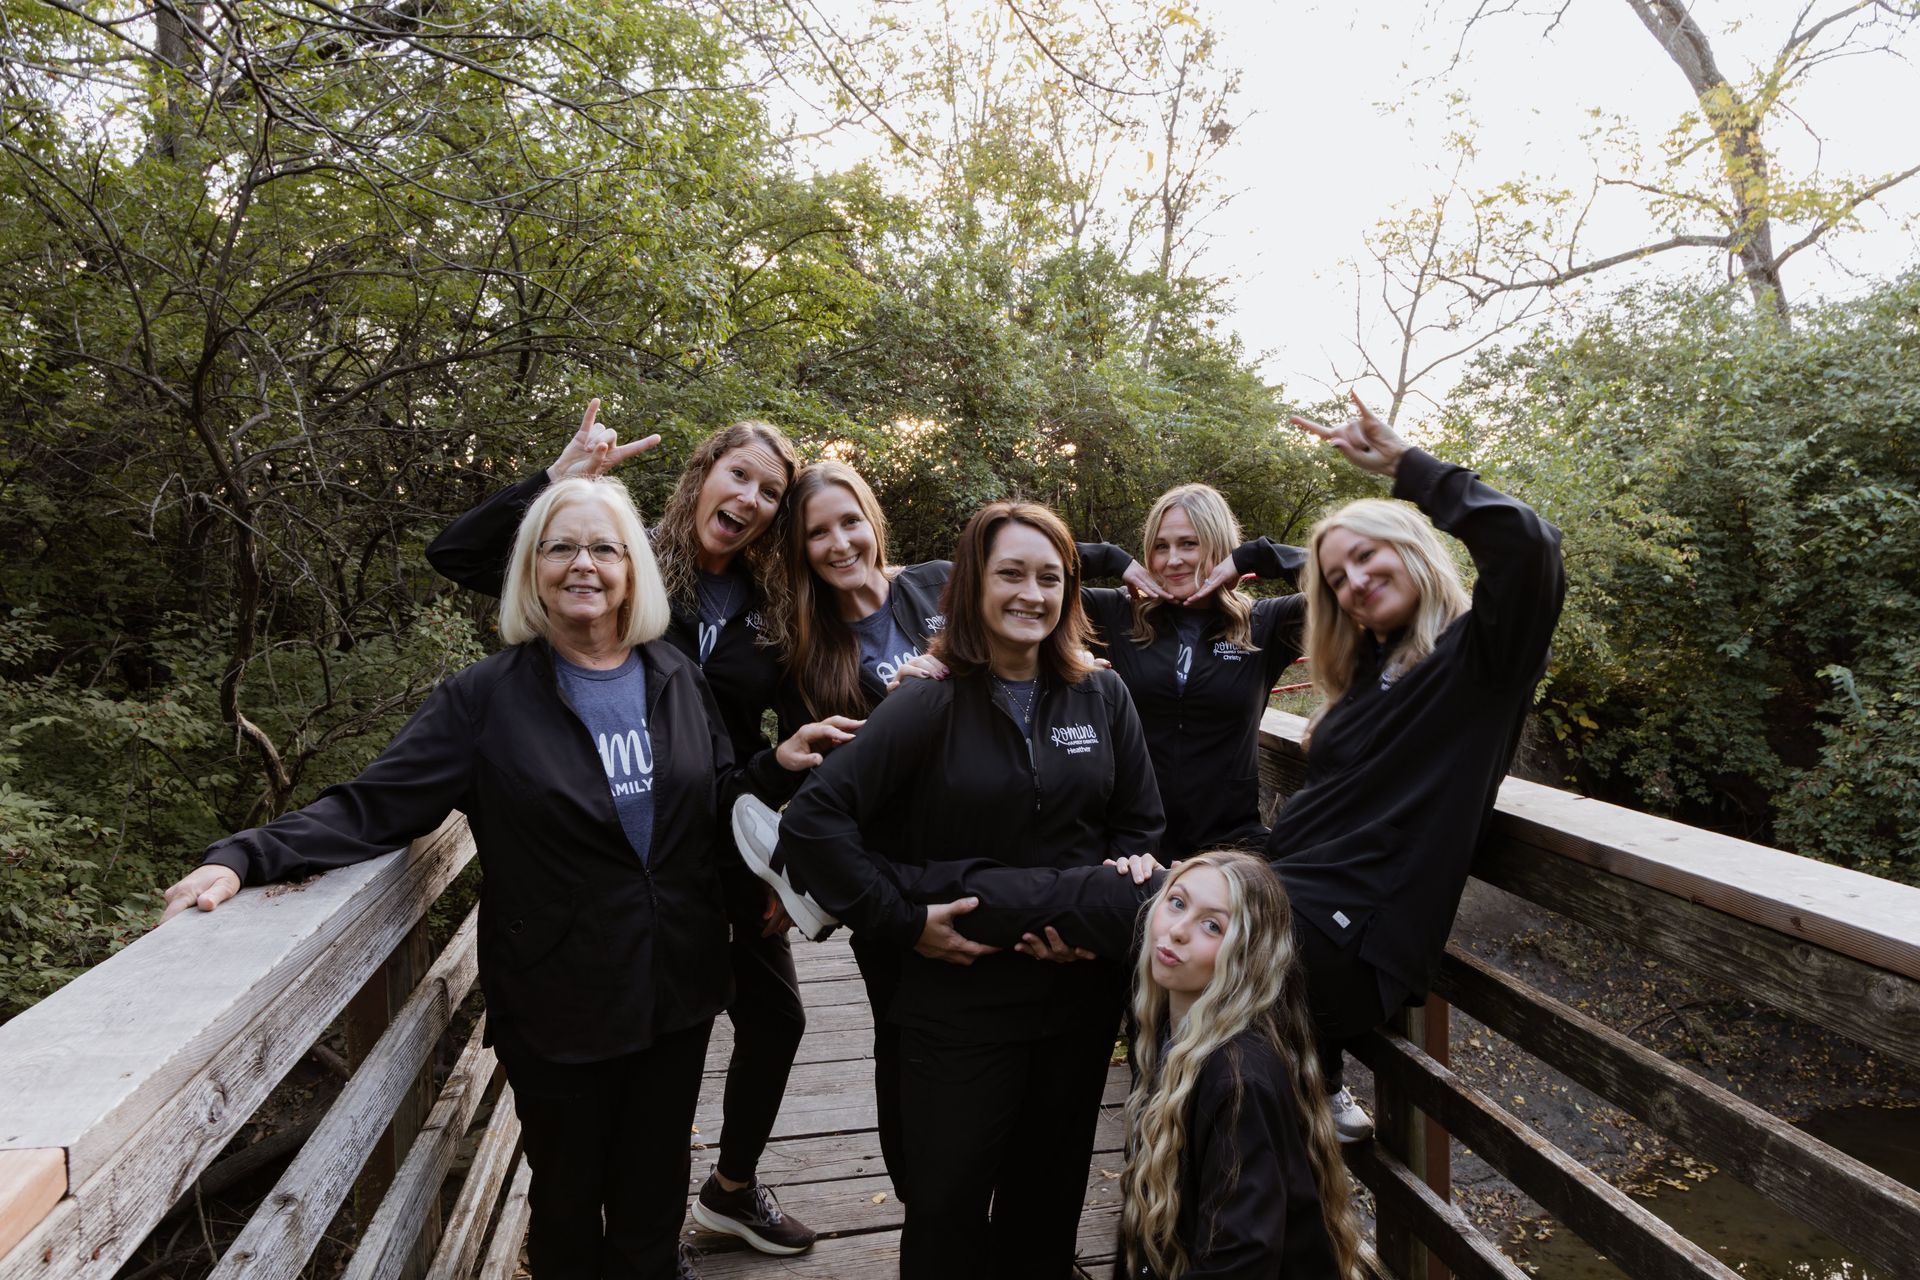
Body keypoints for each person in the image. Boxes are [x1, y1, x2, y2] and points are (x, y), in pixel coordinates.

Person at [161, 477, 739, 1280]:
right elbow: (376, 804)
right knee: (568, 1209)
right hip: (560, 1001)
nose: (583, 564)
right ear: (531, 569)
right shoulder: (485, 699)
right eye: (560, 546)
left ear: (632, 569)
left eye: (604, 547)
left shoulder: (675, 677)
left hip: (676, 988)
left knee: (651, 1204)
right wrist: (243, 856)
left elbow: (718, 801)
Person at [424, 403, 852, 1255]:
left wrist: (781, 869)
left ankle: (728, 1191)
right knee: (616, 1053)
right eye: (741, 475)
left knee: (776, 1017)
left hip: (717, 830)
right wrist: (562, 477)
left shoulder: (776, 604)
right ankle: (621, 1234)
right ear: (705, 472)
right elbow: (461, 556)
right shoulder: (620, 553)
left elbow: (806, 725)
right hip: (605, 844)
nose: (752, 498)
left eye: (772, 492)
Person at [774, 500, 1165, 1280]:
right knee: (948, 1206)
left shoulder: (1103, 696)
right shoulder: (928, 698)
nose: (1031, 593)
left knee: (1048, 1202)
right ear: (971, 585)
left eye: (1050, 578)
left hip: (1073, 994)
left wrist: (1099, 908)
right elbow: (814, 824)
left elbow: (1141, 830)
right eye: (1011, 574)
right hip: (958, 1001)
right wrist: (906, 918)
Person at [1116, 850, 1359, 1280]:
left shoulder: (1239, 1078)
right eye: (1177, 903)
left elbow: (1241, 1260)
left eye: (1213, 925)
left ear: (1246, 957)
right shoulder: (1166, 1031)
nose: (1177, 931)